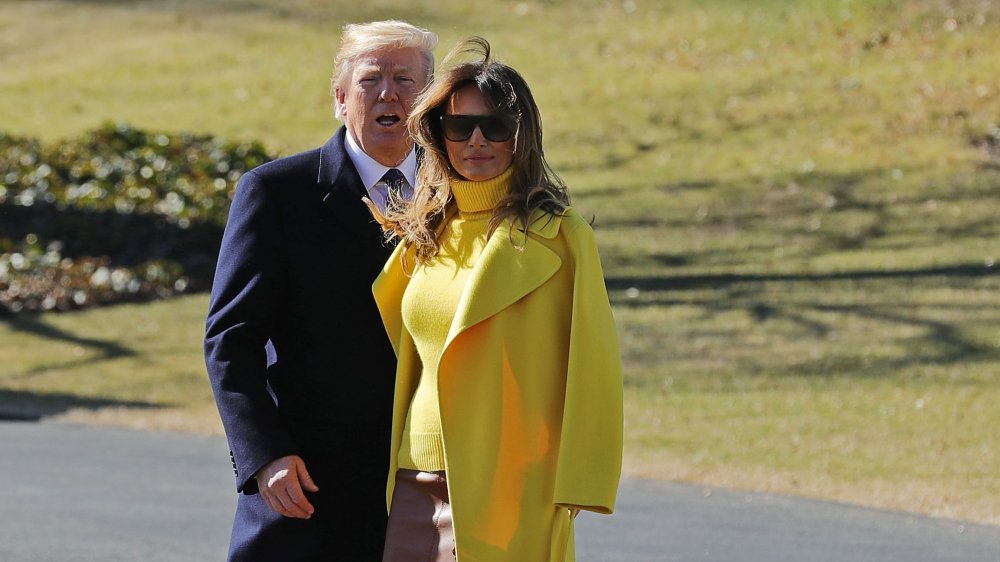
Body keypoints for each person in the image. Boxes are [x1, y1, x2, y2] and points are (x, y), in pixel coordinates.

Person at [368, 37, 623, 562]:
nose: (477, 140)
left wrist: (580, 481)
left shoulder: (562, 238)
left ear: (520, 136)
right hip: (414, 473)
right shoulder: (424, 237)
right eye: (459, 127)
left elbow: (593, 367)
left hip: (513, 480)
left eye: (496, 126)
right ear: (439, 137)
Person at [204, 20, 437, 561]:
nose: (389, 94)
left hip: (423, 481)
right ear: (340, 99)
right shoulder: (277, 193)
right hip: (306, 484)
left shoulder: (459, 198)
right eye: (370, 80)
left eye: (406, 81)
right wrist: (266, 455)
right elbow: (231, 339)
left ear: (430, 100)